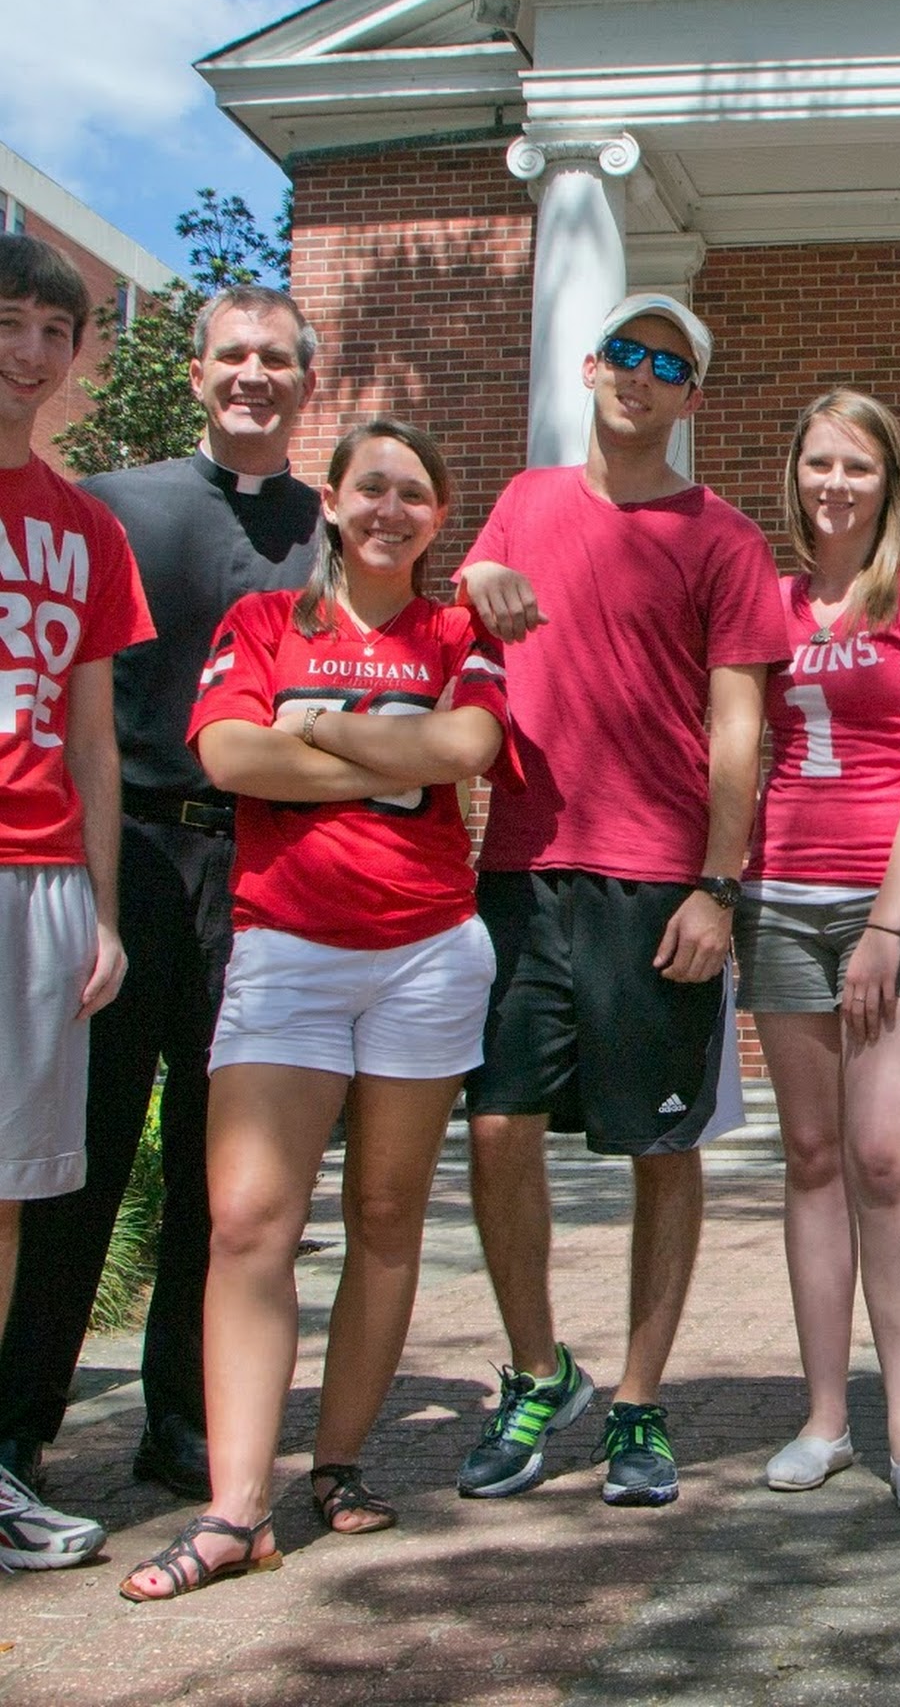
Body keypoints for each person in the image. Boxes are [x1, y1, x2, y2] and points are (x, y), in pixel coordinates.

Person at [118, 417, 510, 1600]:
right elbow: (231, 756)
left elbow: (471, 741)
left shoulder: (459, 629)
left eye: (414, 494)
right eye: (369, 488)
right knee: (248, 1219)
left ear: (438, 519)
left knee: (388, 1216)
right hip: (286, 946)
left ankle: (336, 1462)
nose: (390, 507)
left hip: (427, 951)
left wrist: (321, 727)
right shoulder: (261, 623)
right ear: (330, 502)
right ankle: (236, 1509)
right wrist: (394, 758)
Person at [454, 292, 788, 1510]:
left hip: (657, 884)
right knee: (497, 1126)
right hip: (522, 871)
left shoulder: (724, 539)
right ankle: (540, 1371)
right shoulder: (527, 501)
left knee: (662, 1146)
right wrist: (477, 571)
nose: (641, 375)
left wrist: (717, 883)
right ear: (592, 365)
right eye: (627, 353)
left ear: (691, 396)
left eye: (670, 364)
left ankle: (642, 1402)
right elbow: (477, 624)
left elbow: (739, 722)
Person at [0, 282, 322, 1508]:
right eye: (231, 356)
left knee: (216, 1157)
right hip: (119, 851)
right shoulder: (109, 509)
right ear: (194, 374)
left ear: (304, 382)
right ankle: (20, 1423)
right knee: (71, 1163)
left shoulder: (327, 526)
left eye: (276, 359)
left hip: (258, 863)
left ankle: (182, 1421)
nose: (253, 375)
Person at [738, 391, 900, 1514]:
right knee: (812, 1153)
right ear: (795, 474)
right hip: (778, 896)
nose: (835, 482)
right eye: (818, 461)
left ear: (889, 480)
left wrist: (886, 922)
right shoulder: (767, 600)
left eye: (858, 466)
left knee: (884, 1153)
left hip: (891, 905)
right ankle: (825, 1415)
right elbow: (737, 743)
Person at [0, 235, 152, 1570]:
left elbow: (94, 741)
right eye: (12, 323)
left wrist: (102, 912)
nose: (33, 353)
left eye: (58, 330)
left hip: (44, 880)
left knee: (8, 1196)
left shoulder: (84, 525)